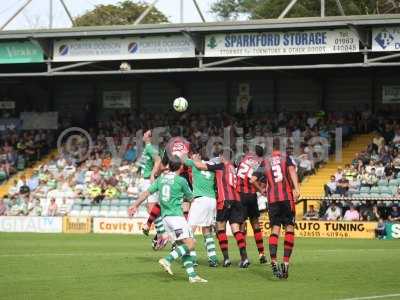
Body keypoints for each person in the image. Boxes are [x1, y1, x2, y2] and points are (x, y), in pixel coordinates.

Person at [128, 158, 207, 283]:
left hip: (165, 219)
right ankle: (167, 260)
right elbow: (191, 198)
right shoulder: (181, 180)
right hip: (176, 217)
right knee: (191, 244)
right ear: (181, 167)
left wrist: (135, 205)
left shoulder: (161, 179)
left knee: (183, 246)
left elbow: (147, 193)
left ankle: (192, 276)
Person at [191, 149, 250, 268]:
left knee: (220, 229)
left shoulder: (221, 166)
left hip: (225, 200)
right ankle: (244, 258)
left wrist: (195, 160)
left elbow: (200, 166)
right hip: (237, 200)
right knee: (236, 230)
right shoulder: (234, 168)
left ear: (222, 156)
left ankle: (226, 259)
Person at [252, 138, 300, 279]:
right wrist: (296, 188)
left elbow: (253, 179)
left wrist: (261, 190)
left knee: (275, 230)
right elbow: (291, 171)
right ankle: (285, 263)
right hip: (286, 197)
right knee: (289, 228)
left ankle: (273, 262)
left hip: (272, 200)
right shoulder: (286, 158)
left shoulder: (265, 161)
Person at [184, 152, 218, 267]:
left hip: (200, 199)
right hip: (212, 200)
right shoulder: (212, 165)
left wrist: (183, 152)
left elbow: (183, 160)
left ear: (198, 156)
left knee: (189, 230)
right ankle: (213, 258)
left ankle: (192, 259)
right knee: (207, 230)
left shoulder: (194, 163)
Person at [235, 145, 266, 264]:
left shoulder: (243, 159)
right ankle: (261, 253)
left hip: (240, 195)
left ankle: (244, 257)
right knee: (255, 223)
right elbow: (256, 180)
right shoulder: (260, 162)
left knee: (242, 225)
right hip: (252, 195)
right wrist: (260, 189)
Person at [138, 130, 165, 250]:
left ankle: (162, 234)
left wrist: (153, 174)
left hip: (149, 180)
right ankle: (160, 234)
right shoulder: (153, 147)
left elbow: (158, 160)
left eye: (145, 134)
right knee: (152, 209)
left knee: (151, 208)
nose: (143, 135)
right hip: (148, 179)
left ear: (149, 137)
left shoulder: (150, 147)